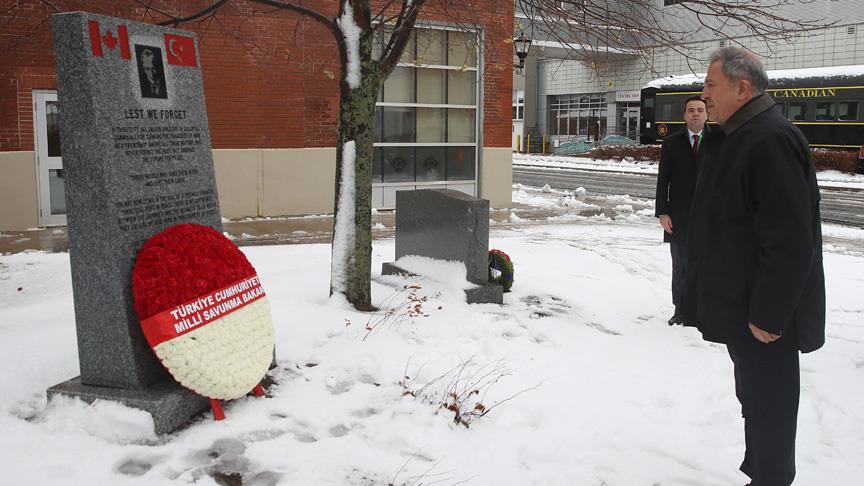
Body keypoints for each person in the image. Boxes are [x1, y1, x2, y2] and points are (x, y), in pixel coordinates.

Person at [684, 47, 825, 486]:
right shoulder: (735, 133)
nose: (703, 94)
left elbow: (789, 242)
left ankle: (772, 478)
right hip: (741, 305)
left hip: (764, 315)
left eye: (710, 85)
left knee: (772, 405)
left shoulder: (769, 139)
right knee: (756, 400)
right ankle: (761, 474)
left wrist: (768, 315)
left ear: (741, 88)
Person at [655, 95, 707, 326]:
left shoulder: (720, 140)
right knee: (681, 266)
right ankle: (681, 310)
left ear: (707, 114)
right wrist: (663, 213)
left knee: (707, 266)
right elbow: (663, 180)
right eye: (691, 110)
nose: (695, 113)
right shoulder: (672, 142)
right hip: (679, 217)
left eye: (700, 110)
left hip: (710, 217)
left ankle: (704, 311)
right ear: (685, 115)